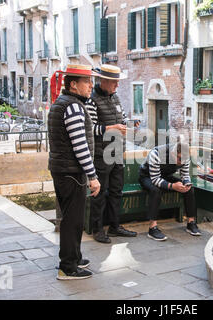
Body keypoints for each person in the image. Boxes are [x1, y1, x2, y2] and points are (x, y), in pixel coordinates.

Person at [48, 64, 101, 280]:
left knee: (71, 217)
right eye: (87, 82)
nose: (91, 86)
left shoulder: (61, 104)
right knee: (73, 220)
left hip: (61, 169)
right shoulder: (73, 107)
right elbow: (80, 146)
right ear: (73, 84)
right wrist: (93, 176)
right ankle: (68, 267)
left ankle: (74, 256)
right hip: (71, 171)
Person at [85, 64, 139, 243]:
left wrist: (129, 124)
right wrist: (111, 128)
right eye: (115, 82)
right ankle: (97, 229)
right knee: (99, 194)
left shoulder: (115, 98)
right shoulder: (91, 100)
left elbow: (121, 119)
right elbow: (89, 129)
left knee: (116, 191)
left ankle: (115, 226)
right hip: (102, 154)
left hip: (117, 152)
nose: (117, 85)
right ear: (104, 81)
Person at [138, 139, 201, 241]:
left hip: (166, 176)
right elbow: (155, 180)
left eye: (184, 159)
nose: (182, 162)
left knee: (189, 189)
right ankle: (152, 228)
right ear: (173, 153)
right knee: (156, 190)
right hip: (147, 177)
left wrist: (186, 183)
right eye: (180, 159)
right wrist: (172, 186)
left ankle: (191, 222)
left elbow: (185, 175)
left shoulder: (184, 157)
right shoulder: (156, 153)